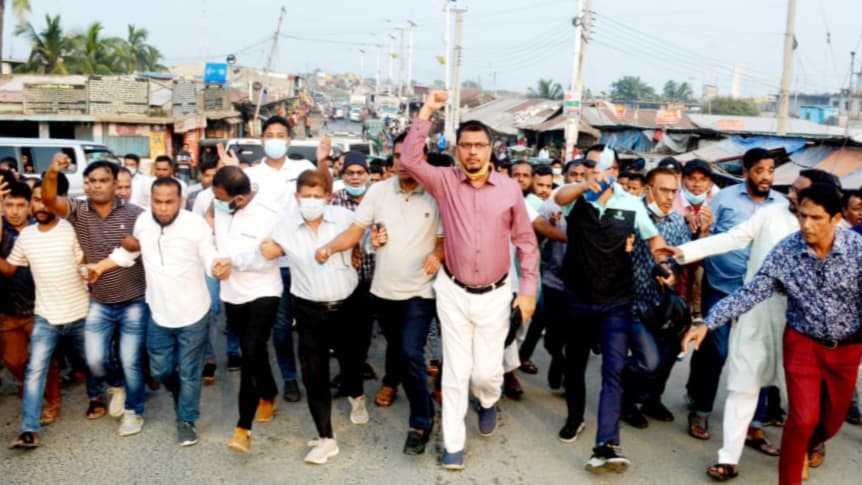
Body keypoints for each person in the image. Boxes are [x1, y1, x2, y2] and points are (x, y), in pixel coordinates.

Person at [661, 169, 839, 481]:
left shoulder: (842, 238)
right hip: (756, 312)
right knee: (743, 386)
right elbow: (733, 239)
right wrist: (686, 252)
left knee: (804, 398)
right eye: (793, 190)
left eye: (800, 192)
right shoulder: (771, 214)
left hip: (803, 326)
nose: (791, 195)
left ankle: (805, 450)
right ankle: (728, 458)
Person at [400, 91, 539, 471]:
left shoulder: (510, 189)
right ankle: (454, 445)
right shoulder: (444, 182)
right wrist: (427, 110)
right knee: (456, 371)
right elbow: (410, 159)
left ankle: (490, 399)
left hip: (495, 295)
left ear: (492, 149)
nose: (473, 152)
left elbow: (526, 243)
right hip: (453, 291)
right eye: (466, 146)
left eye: (480, 145)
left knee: (485, 373)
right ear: (457, 149)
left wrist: (528, 292)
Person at [318, 131, 444, 454]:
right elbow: (354, 232)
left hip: (421, 291)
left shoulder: (436, 193)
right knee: (401, 353)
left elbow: (444, 239)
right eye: (399, 155)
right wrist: (330, 247)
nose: (404, 162)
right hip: (384, 291)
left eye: (411, 155)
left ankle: (420, 421)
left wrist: (437, 256)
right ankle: (422, 401)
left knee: (410, 352)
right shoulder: (378, 192)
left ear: (422, 158)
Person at [87, 177, 230, 447]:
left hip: (193, 313)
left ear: (180, 201)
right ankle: (181, 392)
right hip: (158, 313)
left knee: (189, 372)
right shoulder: (143, 223)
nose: (163, 208)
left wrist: (216, 266)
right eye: (157, 201)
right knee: (160, 370)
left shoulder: (194, 225)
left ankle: (186, 419)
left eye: (169, 202)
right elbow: (128, 255)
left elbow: (209, 255)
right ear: (150, 200)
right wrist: (100, 267)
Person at [554, 144, 669, 473]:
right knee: (574, 365)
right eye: (590, 165)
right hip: (576, 298)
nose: (595, 171)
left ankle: (606, 443)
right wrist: (583, 186)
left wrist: (662, 263)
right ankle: (575, 418)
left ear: (615, 172)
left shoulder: (631, 204)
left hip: (616, 302)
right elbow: (559, 198)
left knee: (613, 372)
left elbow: (655, 241)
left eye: (602, 166)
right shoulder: (575, 198)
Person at [258, 169, 368, 465]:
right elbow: (266, 250)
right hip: (307, 309)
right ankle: (326, 437)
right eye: (305, 196)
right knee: (314, 373)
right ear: (296, 197)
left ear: (329, 197)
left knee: (351, 362)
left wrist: (371, 242)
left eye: (317, 196)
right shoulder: (286, 226)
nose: (311, 201)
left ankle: (356, 396)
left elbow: (364, 243)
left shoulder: (345, 219)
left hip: (346, 305)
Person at [42, 155, 150, 436]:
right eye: (91, 181)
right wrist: (53, 170)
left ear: (116, 184)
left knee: (130, 359)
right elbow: (49, 199)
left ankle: (134, 412)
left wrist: (137, 243)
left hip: (134, 300)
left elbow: (149, 248)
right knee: (94, 359)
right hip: (100, 301)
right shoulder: (78, 210)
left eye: (103, 181)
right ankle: (118, 386)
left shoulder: (136, 214)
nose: (96, 186)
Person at [685, 148, 788, 442]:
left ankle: (755, 423)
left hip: (761, 295)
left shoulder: (781, 206)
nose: (766, 176)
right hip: (721, 286)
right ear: (745, 171)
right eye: (759, 170)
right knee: (716, 352)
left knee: (761, 356)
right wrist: (700, 231)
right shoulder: (724, 199)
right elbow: (708, 235)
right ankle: (701, 411)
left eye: (770, 170)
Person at [220, 115, 316, 404]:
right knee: (281, 326)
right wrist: (231, 171)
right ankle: (288, 378)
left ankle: (314, 377)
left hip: (301, 257)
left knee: (310, 325)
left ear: (288, 140)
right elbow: (236, 208)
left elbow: (319, 196)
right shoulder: (252, 176)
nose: (275, 139)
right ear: (263, 140)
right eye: (269, 135)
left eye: (280, 135)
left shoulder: (303, 168)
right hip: (272, 263)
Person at [2, 181, 94, 449]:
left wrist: (87, 270)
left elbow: (85, 263)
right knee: (34, 370)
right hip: (44, 316)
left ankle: (107, 392)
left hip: (79, 314)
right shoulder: (26, 236)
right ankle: (29, 429)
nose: (40, 205)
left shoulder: (72, 229)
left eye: (45, 200)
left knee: (96, 363)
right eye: (36, 200)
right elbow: (9, 269)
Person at [209, 166, 282, 453]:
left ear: (239, 198)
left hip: (263, 291)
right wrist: (217, 262)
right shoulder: (220, 208)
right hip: (232, 292)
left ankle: (243, 428)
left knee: (250, 352)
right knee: (253, 349)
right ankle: (268, 392)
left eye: (220, 198)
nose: (215, 201)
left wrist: (233, 262)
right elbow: (213, 243)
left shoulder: (270, 214)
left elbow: (267, 257)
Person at [621, 168, 695, 431]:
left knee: (665, 358)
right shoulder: (628, 215)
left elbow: (685, 259)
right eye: (663, 190)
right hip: (631, 303)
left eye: (673, 191)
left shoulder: (677, 222)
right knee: (647, 360)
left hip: (664, 306)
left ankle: (652, 399)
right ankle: (625, 400)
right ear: (647, 189)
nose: (668, 197)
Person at [0, 181, 63, 427]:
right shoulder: (3, 230)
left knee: (44, 360)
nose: (14, 211)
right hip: (8, 312)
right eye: (8, 205)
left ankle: (52, 402)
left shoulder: (41, 230)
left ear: (29, 206)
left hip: (39, 309)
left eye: (20, 205)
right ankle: (30, 389)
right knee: (13, 361)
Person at [329, 151, 379, 395]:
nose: (356, 178)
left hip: (373, 276)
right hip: (344, 276)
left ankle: (355, 370)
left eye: (360, 173)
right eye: (350, 173)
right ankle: (347, 372)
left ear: (367, 175)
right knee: (342, 330)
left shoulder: (377, 199)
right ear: (343, 175)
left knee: (364, 329)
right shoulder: (335, 201)